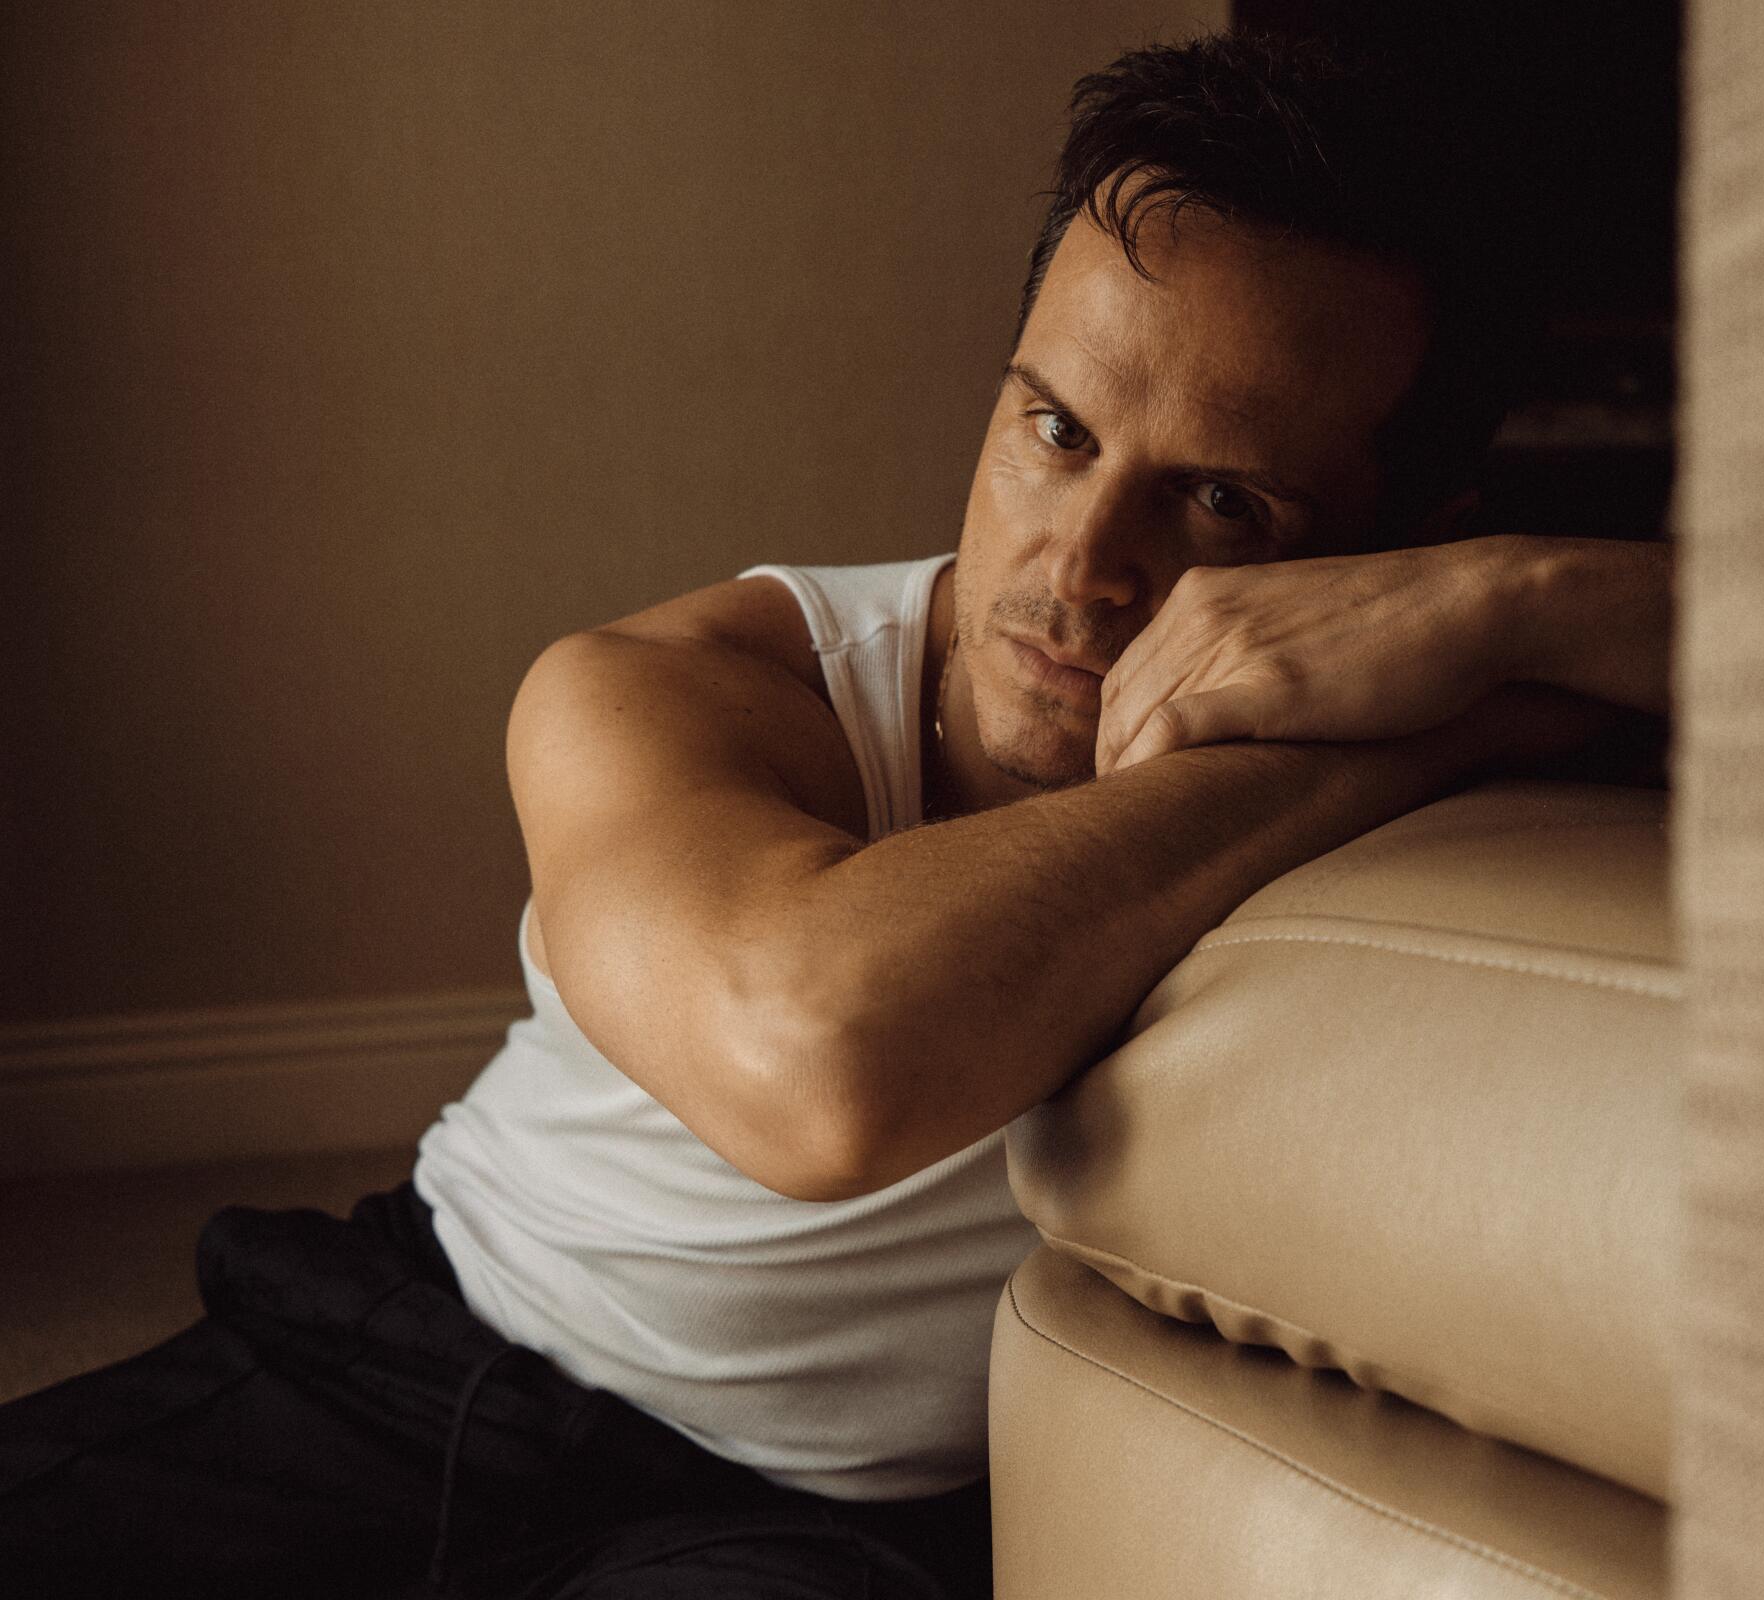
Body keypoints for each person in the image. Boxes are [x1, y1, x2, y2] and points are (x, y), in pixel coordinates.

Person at [0, 28, 1669, 1600]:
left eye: (1224, 501)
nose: (1081, 569)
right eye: (1055, 429)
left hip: (816, 1532)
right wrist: (1367, 749)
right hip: (422, 1346)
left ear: (1391, 551)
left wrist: (1510, 598)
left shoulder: (1451, 657)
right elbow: (820, 1071)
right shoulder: (683, 684)